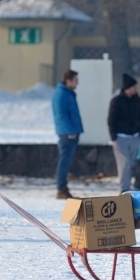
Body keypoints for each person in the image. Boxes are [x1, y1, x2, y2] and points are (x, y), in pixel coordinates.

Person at [107, 73, 140, 193]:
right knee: (124, 164)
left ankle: (127, 187)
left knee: (131, 163)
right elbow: (111, 119)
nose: (135, 90)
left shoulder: (136, 100)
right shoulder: (116, 101)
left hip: (135, 137)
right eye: (134, 87)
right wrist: (113, 136)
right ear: (128, 87)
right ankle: (124, 189)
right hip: (120, 137)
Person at [52, 69, 83, 199]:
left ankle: (63, 187)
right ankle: (61, 188)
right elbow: (61, 115)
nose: (78, 83)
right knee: (64, 162)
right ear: (68, 81)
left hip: (71, 132)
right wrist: (70, 130)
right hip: (67, 134)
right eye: (76, 80)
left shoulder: (67, 93)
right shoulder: (61, 94)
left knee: (66, 161)